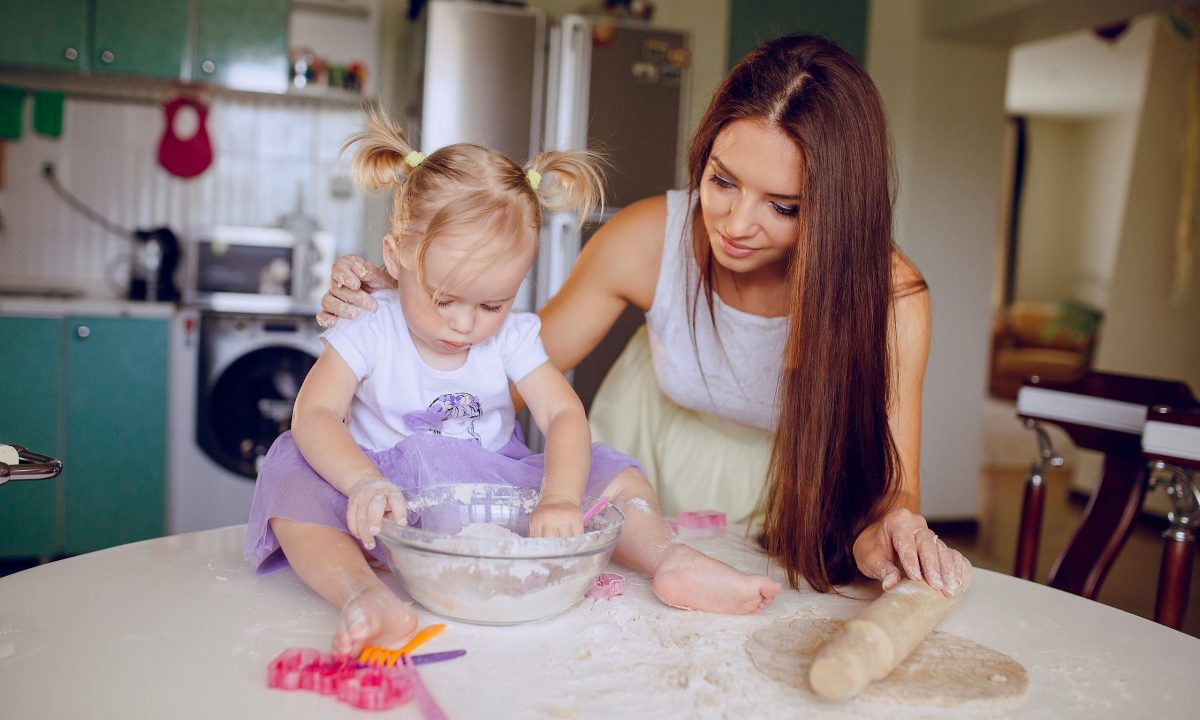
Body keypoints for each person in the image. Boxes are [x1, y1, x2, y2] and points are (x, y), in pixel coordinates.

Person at [318, 34, 968, 598]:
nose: (737, 226)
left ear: (837, 209)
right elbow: (492, 378)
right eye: (722, 181)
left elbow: (895, 490)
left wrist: (897, 526)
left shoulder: (891, 296)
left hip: (794, 506)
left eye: (785, 207)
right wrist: (412, 305)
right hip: (648, 464)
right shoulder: (646, 239)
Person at [246, 111, 780, 656]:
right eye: (444, 298)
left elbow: (563, 416)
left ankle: (670, 559)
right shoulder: (370, 322)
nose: (463, 324)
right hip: (384, 497)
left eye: (492, 304)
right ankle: (362, 593)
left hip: (491, 488)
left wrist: (559, 498)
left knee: (616, 474)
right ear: (396, 256)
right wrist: (360, 482)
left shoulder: (512, 338)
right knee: (290, 472)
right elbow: (314, 414)